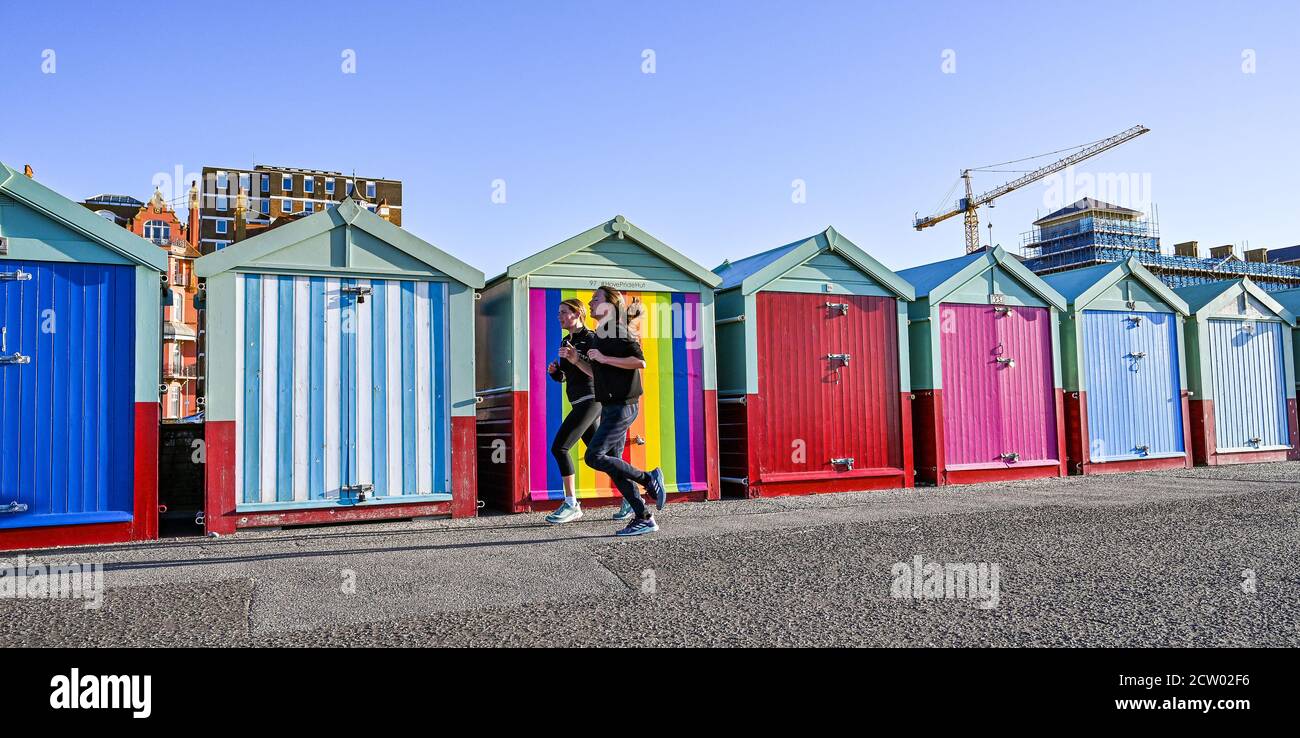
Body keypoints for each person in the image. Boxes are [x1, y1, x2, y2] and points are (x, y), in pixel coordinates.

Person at [577, 285, 666, 537]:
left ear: (610, 305)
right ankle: (644, 517)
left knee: (595, 457)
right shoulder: (601, 333)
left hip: (623, 405)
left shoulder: (616, 330)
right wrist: (577, 361)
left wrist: (604, 359)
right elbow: (597, 373)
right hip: (610, 405)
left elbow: (640, 361)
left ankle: (649, 479)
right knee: (613, 465)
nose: (591, 302)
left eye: (596, 299)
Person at [544, 299, 601, 524]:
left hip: (591, 399)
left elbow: (597, 371)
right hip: (578, 401)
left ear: (577, 314)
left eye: (564, 312)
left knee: (559, 448)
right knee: (600, 456)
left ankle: (571, 504)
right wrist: (556, 372)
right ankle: (633, 495)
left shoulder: (592, 338)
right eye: (558, 312)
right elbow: (567, 376)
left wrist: (577, 358)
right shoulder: (566, 340)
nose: (559, 316)